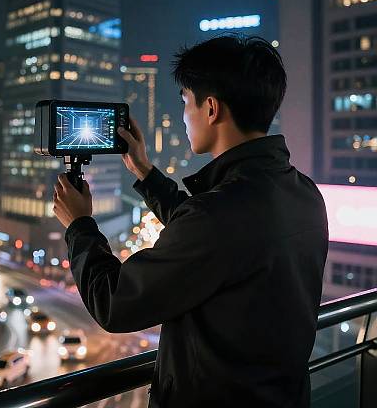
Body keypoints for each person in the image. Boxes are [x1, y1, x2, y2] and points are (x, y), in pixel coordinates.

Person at [53, 34, 329, 408]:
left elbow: (114, 303)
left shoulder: (218, 215)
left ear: (211, 108)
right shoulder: (304, 194)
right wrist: (146, 173)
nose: (184, 116)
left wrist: (79, 225)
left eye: (186, 102)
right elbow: (215, 236)